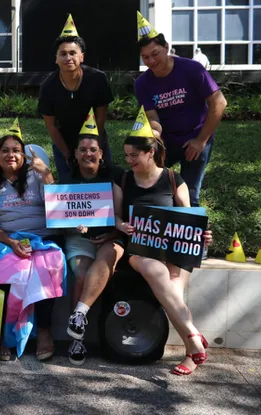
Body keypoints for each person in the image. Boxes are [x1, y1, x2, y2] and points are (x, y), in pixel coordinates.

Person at [113, 112, 213, 376]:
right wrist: (122, 225)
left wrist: (203, 235)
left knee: (173, 295)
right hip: (139, 248)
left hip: (174, 250)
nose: (129, 160)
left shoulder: (172, 179)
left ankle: (192, 352)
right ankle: (193, 337)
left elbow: (188, 217)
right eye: (126, 155)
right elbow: (116, 216)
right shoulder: (123, 180)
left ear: (150, 152)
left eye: (133, 155)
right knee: (158, 274)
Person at [0, 119, 64, 362]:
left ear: (24, 156)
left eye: (16, 150)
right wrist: (10, 242)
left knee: (50, 269)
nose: (11, 154)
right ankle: (2, 336)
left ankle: (44, 332)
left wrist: (46, 173)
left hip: (44, 239)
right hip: (8, 240)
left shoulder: (37, 177)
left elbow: (58, 208)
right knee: (2, 276)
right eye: (5, 150)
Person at [135, 12, 227, 207]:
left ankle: (192, 235)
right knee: (155, 188)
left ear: (166, 48)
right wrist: (153, 135)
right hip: (166, 141)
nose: (151, 61)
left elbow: (219, 103)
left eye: (155, 54)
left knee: (189, 194)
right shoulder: (142, 83)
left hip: (196, 137)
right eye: (145, 57)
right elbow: (152, 116)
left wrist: (201, 140)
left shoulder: (192, 69)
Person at [61, 111, 125, 366]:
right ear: (75, 154)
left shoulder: (116, 176)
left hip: (110, 238)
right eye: (83, 149)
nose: (88, 154)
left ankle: (79, 314)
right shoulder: (67, 182)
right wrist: (71, 225)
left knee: (108, 254)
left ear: (101, 153)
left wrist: (113, 233)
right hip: (80, 240)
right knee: (82, 276)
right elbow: (59, 221)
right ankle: (78, 337)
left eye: (93, 149)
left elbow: (123, 215)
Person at [38, 15, 114, 178]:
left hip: (95, 139)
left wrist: (95, 148)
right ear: (56, 59)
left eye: (73, 53)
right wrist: (68, 154)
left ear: (82, 56)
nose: (68, 58)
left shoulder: (97, 79)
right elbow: (51, 127)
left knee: (105, 183)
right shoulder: (48, 87)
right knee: (69, 187)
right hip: (64, 142)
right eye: (63, 54)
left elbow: (101, 119)